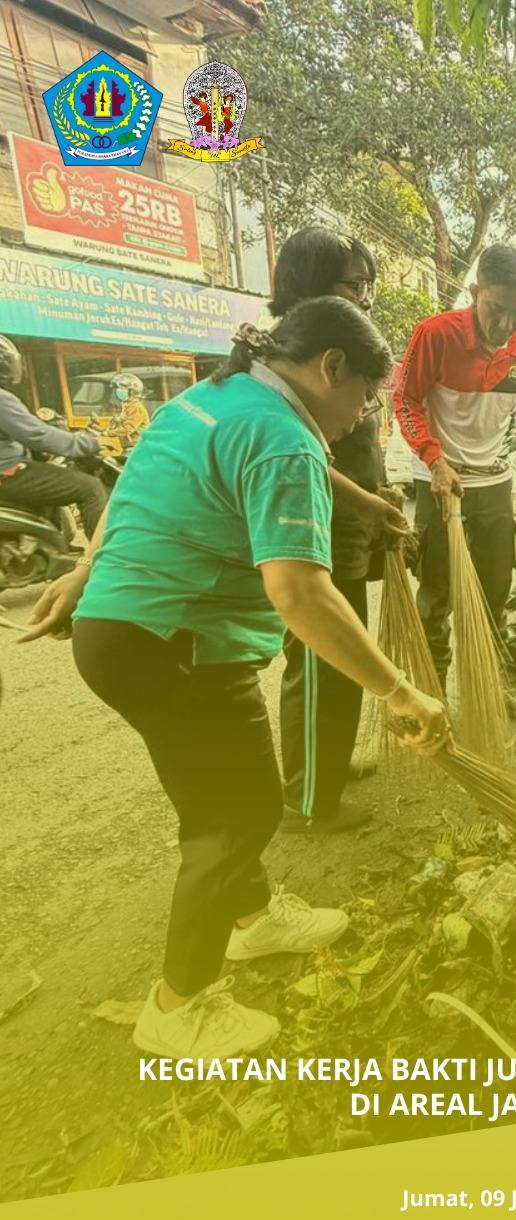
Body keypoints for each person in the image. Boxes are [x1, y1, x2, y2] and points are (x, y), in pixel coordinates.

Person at [25, 298, 448, 1059]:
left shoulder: (214, 397)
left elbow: (138, 487)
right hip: (176, 644)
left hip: (129, 635)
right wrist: (400, 691)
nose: (363, 417)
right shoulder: (283, 436)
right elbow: (302, 595)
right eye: (365, 399)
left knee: (214, 799)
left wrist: (89, 571)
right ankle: (178, 1008)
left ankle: (252, 920)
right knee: (237, 816)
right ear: (332, 368)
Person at [393, 243, 516, 720]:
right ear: (474, 292)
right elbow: (405, 401)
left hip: (495, 485)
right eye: (496, 309)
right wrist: (434, 460)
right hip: (442, 484)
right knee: (438, 596)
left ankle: (490, 685)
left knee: (493, 594)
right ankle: (434, 699)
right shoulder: (436, 334)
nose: (505, 325)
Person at [269, 228, 397, 834]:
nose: (365, 301)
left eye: (369, 288)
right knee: (324, 659)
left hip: (348, 527)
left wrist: (376, 502)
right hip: (313, 534)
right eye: (354, 287)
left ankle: (329, 765)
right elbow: (310, 462)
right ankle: (311, 796)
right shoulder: (297, 364)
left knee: (342, 658)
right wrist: (369, 505)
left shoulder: (338, 351)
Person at [0, 334, 107, 539]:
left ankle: (52, 544)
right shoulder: (2, 399)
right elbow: (38, 435)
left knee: (50, 475)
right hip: (7, 473)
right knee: (90, 487)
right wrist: (90, 443)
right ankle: (105, 561)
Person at [104, 372, 150, 450]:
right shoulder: (127, 405)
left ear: (132, 391)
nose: (118, 391)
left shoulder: (136, 407)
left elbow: (128, 429)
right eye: (118, 389)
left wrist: (109, 433)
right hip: (127, 444)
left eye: (122, 389)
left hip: (137, 446)